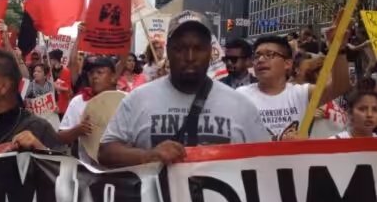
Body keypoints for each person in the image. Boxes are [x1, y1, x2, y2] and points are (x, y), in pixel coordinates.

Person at [98, 11, 269, 168]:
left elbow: (268, 162)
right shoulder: (138, 99)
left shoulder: (241, 106)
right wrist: (148, 156)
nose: (190, 57)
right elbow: (105, 152)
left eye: (198, 49)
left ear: (211, 52)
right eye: (180, 49)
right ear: (168, 52)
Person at [236, 30, 351, 141]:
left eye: (269, 55)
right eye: (257, 56)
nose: (260, 60)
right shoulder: (241, 95)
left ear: (288, 63)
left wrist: (339, 48)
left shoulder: (302, 93)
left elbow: (340, 86)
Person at [58, 57, 119, 164]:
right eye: (91, 73)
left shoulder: (125, 100)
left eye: (100, 72)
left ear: (113, 77)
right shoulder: (79, 102)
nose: (94, 76)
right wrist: (77, 130)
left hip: (121, 168)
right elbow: (59, 138)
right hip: (88, 170)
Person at [49, 49, 71, 118]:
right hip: (51, 104)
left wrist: (57, 87)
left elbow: (68, 89)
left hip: (62, 105)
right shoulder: (49, 71)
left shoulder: (66, 71)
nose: (49, 61)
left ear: (55, 59)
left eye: (51, 59)